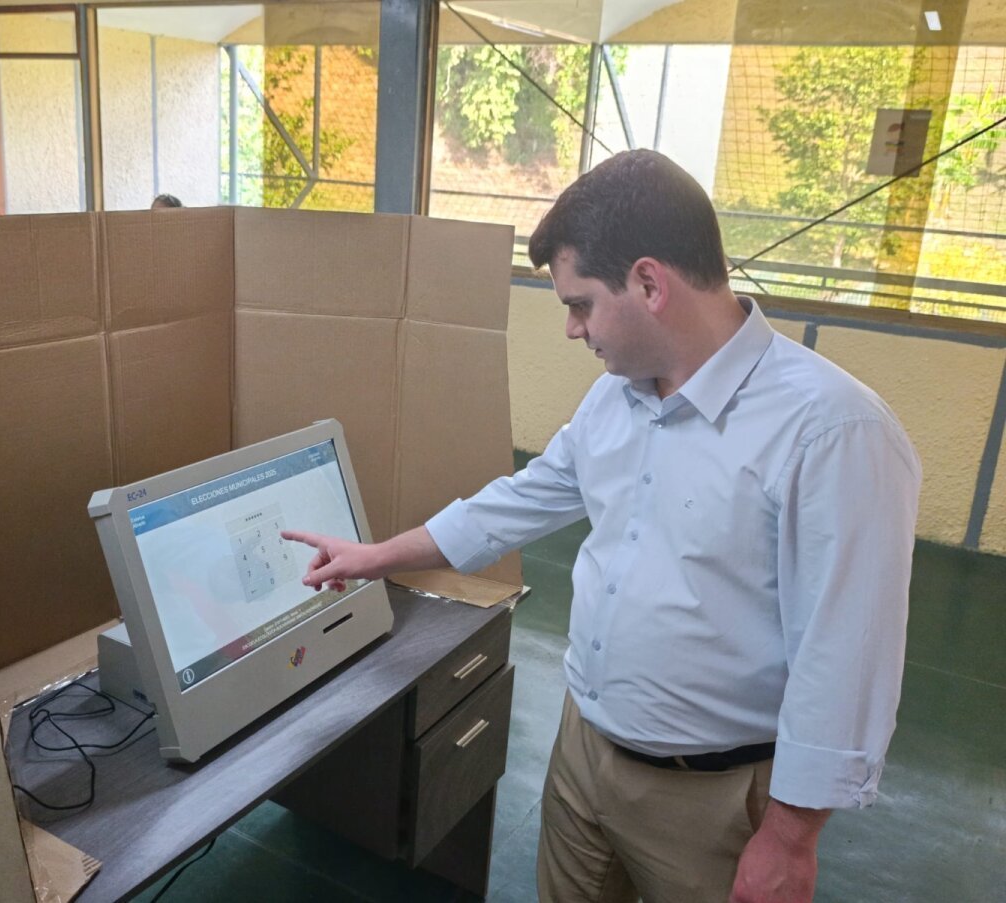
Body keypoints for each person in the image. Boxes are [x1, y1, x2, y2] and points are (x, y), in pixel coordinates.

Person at [282, 150, 921, 903]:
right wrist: (378, 556)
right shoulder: (616, 398)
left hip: (710, 798)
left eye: (580, 304)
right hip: (585, 750)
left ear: (650, 283)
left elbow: (848, 651)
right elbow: (521, 500)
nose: (571, 329)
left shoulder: (832, 430)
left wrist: (789, 837)